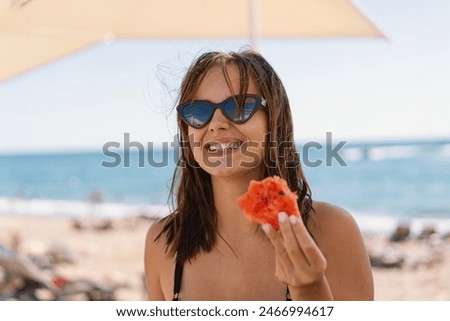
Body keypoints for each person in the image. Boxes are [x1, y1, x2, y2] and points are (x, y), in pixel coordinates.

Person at [144, 50, 373, 301]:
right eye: (198, 112)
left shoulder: (332, 230)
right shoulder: (162, 243)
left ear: (273, 120)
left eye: (240, 107)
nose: (216, 123)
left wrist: (310, 289)